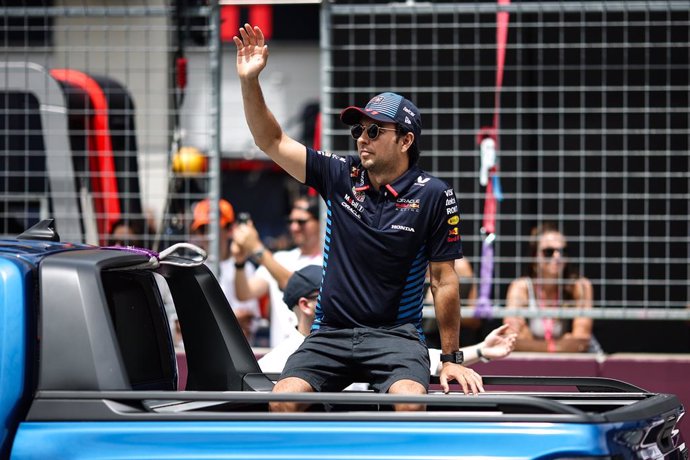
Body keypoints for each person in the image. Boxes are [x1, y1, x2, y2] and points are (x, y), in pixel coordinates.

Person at [234, 24, 482, 412]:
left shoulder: (434, 193)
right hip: (330, 333)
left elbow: (444, 281)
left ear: (405, 140)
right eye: (356, 129)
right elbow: (272, 141)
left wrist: (452, 359)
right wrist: (250, 82)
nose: (361, 138)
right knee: (283, 402)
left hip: (396, 337)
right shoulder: (339, 173)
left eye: (373, 130)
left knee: (411, 405)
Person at [259, 265, 517, 376]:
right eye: (334, 291)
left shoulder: (357, 336)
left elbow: (422, 360)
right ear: (305, 305)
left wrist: (483, 350)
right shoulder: (277, 361)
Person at [231, 195, 323, 348]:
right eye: (290, 221)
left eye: (301, 222)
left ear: (320, 222)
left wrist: (256, 248)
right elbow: (244, 293)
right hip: (280, 355)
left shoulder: (328, 261)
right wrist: (239, 262)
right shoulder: (280, 258)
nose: (294, 227)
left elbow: (294, 285)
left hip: (313, 355)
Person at [503, 222, 596, 353]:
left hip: (576, 363)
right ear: (535, 256)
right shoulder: (520, 287)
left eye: (563, 251)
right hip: (536, 363)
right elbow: (510, 337)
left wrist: (530, 343)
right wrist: (558, 346)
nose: (557, 257)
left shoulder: (581, 286)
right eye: (548, 252)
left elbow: (580, 340)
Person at [190, 198, 261, 343]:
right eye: (202, 229)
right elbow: (181, 322)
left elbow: (247, 321)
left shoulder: (246, 268)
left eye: (212, 228)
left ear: (230, 230)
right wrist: (230, 318)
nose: (207, 235)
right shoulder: (189, 267)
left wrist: (204, 318)